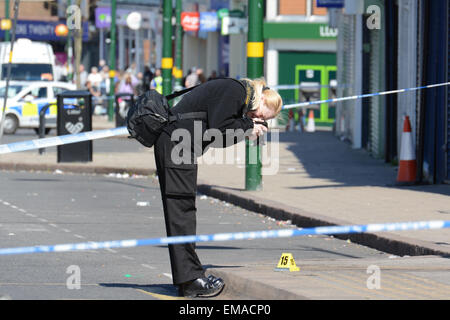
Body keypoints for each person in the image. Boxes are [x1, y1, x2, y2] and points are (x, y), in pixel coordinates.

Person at [153, 77, 283, 298]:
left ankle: (188, 277)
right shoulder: (236, 91)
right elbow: (220, 130)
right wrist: (249, 126)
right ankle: (190, 279)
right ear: (261, 98)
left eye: (263, 120)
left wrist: (246, 127)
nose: (257, 118)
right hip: (177, 145)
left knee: (182, 211)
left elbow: (217, 135)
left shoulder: (236, 94)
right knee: (181, 212)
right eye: (261, 114)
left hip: (179, 145)